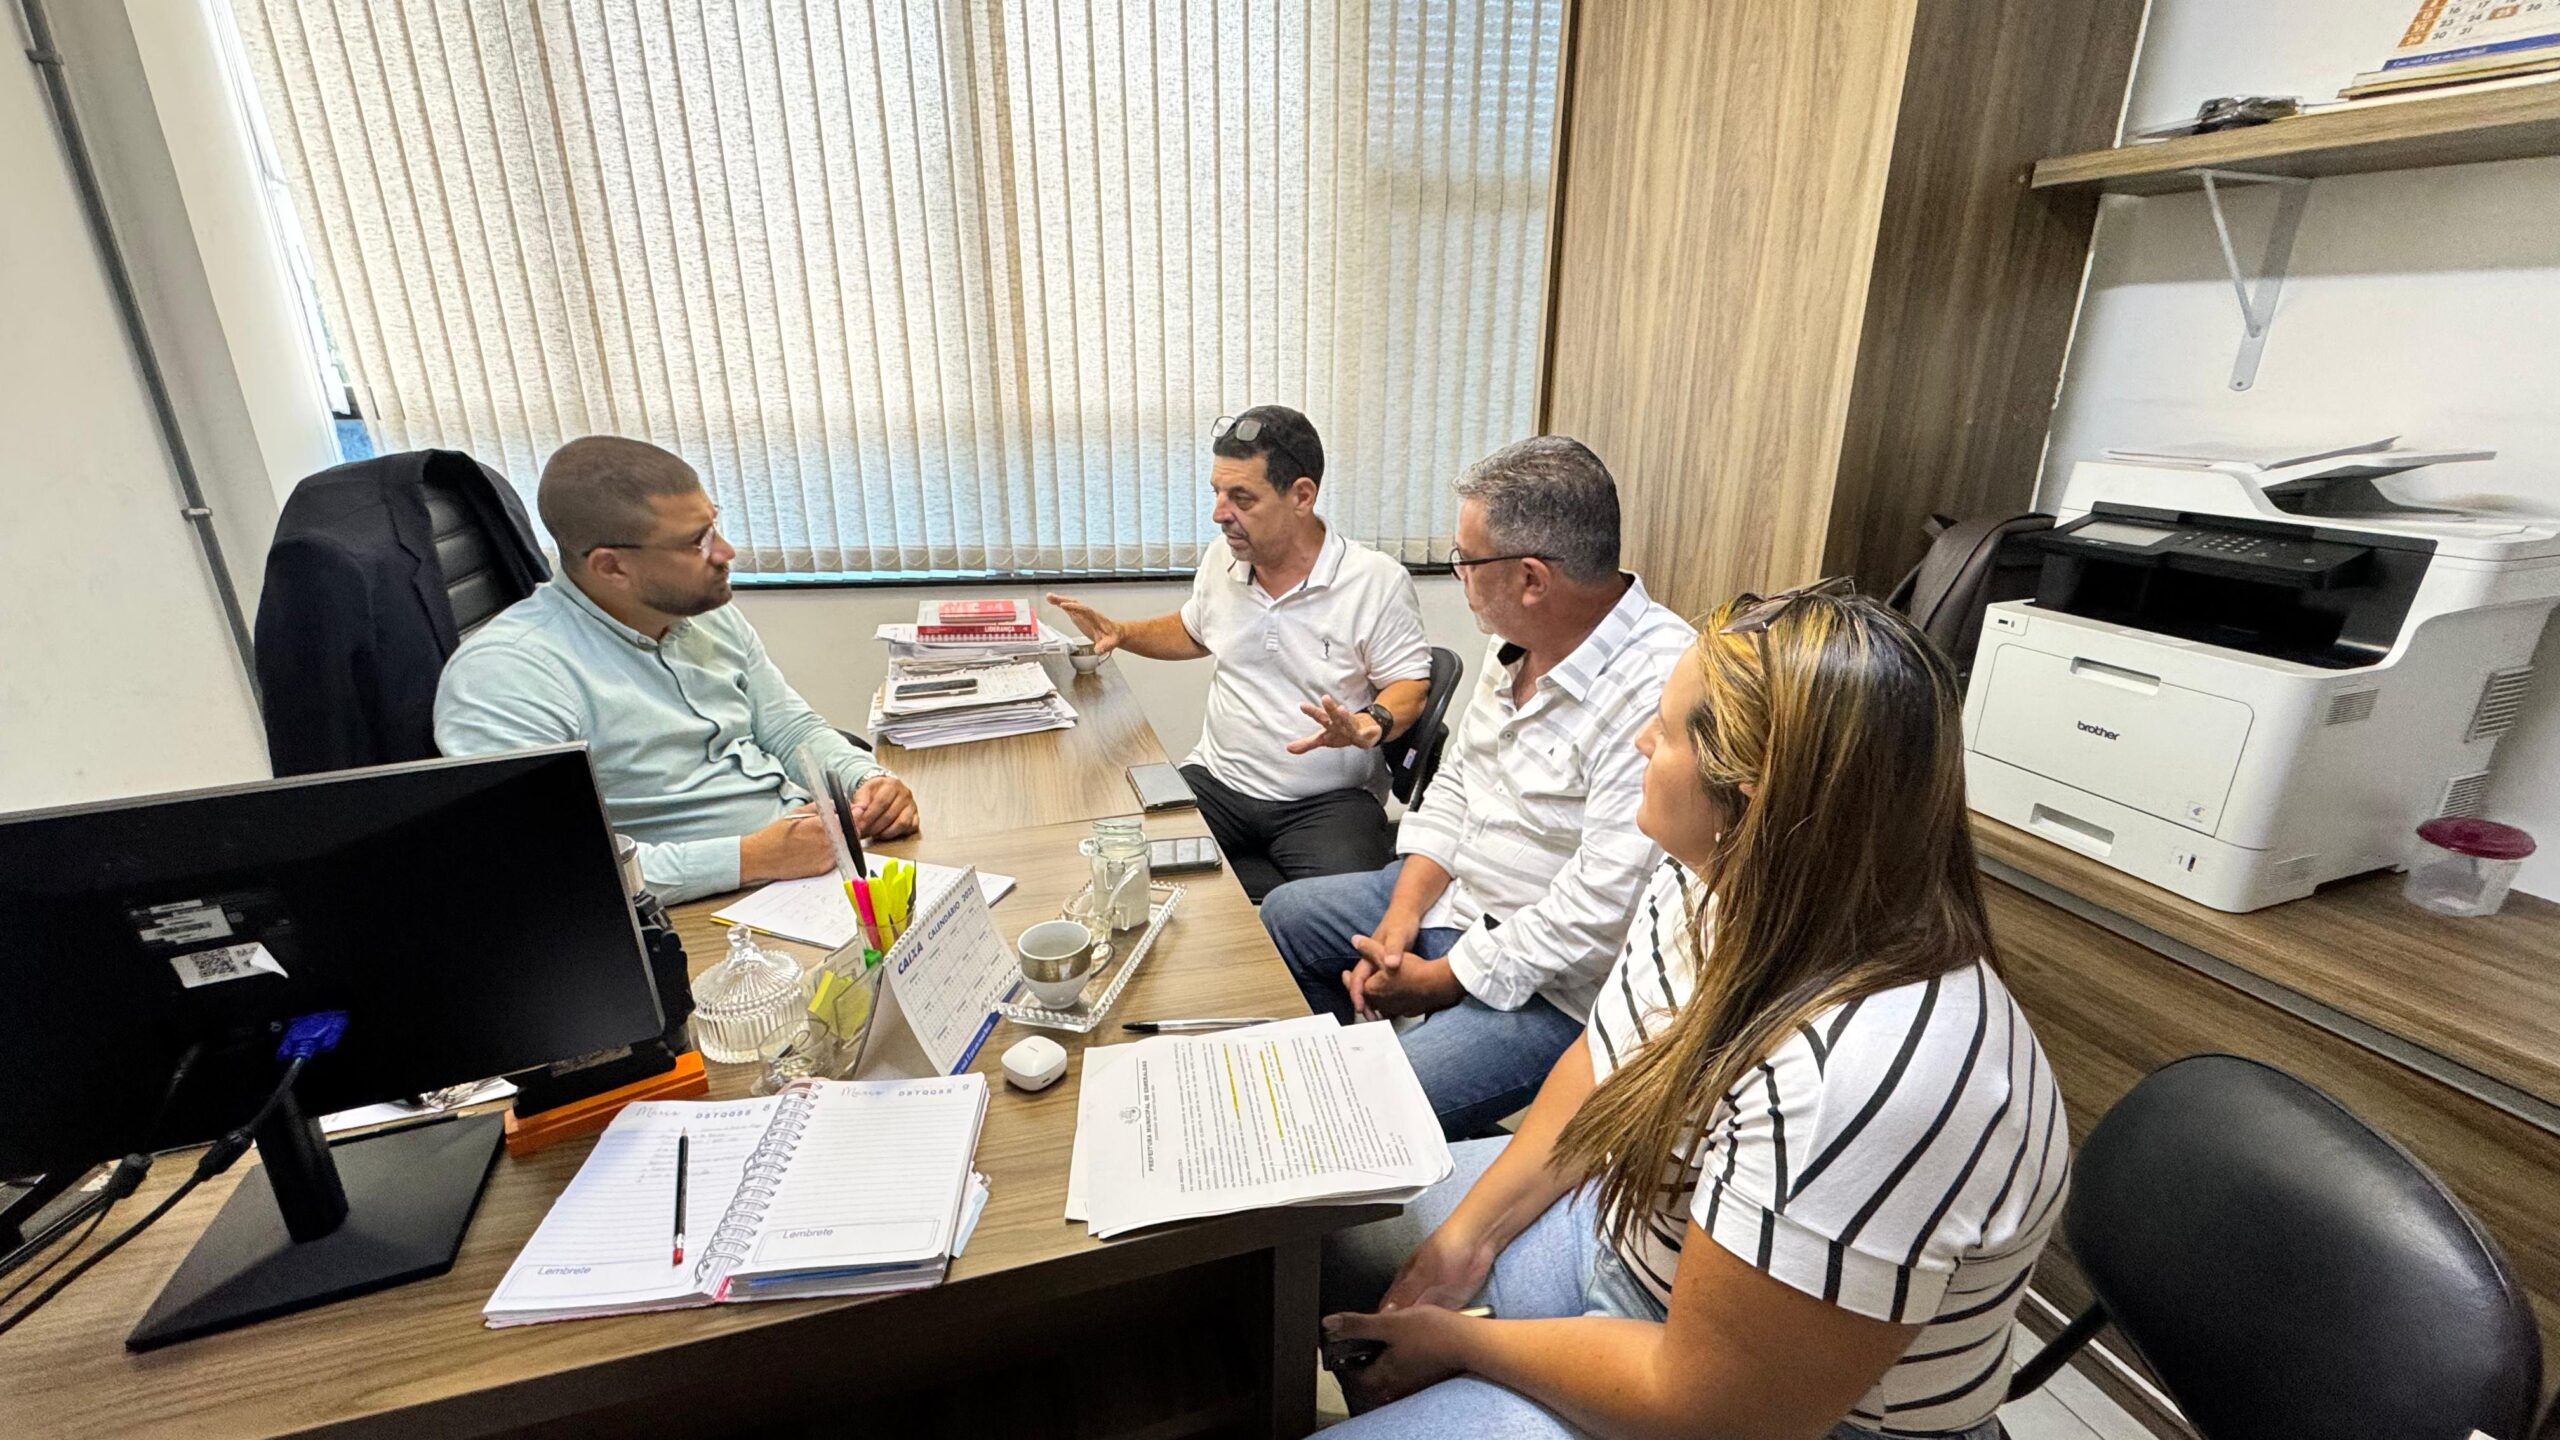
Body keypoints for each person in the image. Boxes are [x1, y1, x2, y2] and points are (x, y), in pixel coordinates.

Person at [1316, 583, 2070, 1440]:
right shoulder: (1704, 874)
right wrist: (1465, 1243)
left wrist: (1463, 1343)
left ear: (1749, 794)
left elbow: (1708, 1408)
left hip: (1741, 1407)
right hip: (1635, 1248)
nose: (1641, 741)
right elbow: (1606, 1060)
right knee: (1303, 1236)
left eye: (1665, 730)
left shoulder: (1871, 1076)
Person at [1261, 437, 1693, 1138]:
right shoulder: (1518, 635)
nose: (1457, 572)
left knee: (1364, 1110)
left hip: (1559, 983)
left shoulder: (1661, 683)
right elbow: (1460, 781)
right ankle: (1364, 1101)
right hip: (1462, 903)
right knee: (1287, 917)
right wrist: (1400, 918)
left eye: (1465, 558)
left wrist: (1439, 982)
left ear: (1531, 578)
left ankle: (1390, 1128)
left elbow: (1599, 910)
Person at [435, 436, 917, 905]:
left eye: (714, 525)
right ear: (611, 567)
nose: (725, 552)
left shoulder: (703, 613)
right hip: (699, 908)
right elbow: (542, 867)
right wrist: (747, 859)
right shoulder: (507, 675)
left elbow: (790, 730)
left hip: (808, 867)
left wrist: (865, 782)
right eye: (696, 542)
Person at [1047, 406, 1433, 901]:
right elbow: (1195, 630)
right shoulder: (1223, 558)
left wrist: (1369, 722)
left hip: (1326, 803)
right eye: (1217, 493)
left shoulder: (1374, 580)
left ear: (1302, 496)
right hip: (1217, 783)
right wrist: (1123, 632)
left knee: (1349, 918)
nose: (1219, 513)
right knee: (1116, 873)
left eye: (1241, 498)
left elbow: (1410, 685)